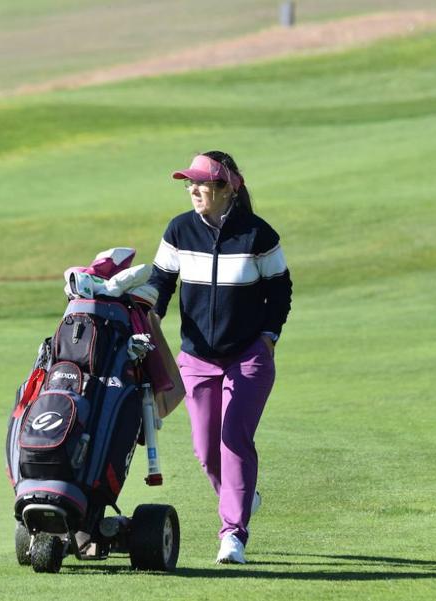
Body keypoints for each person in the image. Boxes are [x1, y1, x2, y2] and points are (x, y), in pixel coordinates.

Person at [148, 151, 292, 564]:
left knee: (233, 440)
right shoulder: (179, 230)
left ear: (227, 188)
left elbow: (280, 290)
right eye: (188, 183)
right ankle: (244, 497)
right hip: (196, 358)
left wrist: (268, 337)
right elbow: (161, 280)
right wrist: (152, 315)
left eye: (201, 184)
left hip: (248, 356)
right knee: (205, 449)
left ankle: (233, 534)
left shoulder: (258, 235)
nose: (193, 190)